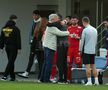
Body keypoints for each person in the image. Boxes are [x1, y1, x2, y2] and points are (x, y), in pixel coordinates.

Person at [18, 10, 47, 80]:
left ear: (38, 15)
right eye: (33, 15)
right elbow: (32, 32)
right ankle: (27, 72)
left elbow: (41, 32)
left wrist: (38, 41)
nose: (33, 16)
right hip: (34, 42)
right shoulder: (34, 21)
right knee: (31, 57)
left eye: (34, 15)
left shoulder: (42, 21)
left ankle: (40, 76)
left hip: (39, 42)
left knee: (40, 60)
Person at [40, 14, 69, 82]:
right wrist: (68, 32)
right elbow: (60, 33)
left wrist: (64, 21)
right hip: (50, 47)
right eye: (56, 18)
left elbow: (59, 24)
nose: (58, 20)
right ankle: (46, 79)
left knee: (45, 63)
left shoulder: (50, 25)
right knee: (48, 64)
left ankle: (42, 78)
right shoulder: (52, 27)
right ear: (53, 19)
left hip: (47, 46)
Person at [0, 15, 21, 81]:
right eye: (16, 20)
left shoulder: (5, 28)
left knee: (11, 61)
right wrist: (19, 48)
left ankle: (12, 77)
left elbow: (2, 38)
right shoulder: (15, 29)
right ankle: (5, 76)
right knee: (11, 62)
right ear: (14, 19)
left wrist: (1, 47)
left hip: (7, 47)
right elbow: (18, 39)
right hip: (14, 47)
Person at [80, 16, 99, 85]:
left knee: (87, 66)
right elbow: (96, 41)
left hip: (86, 51)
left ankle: (89, 81)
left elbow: (82, 42)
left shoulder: (85, 30)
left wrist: (80, 50)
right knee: (93, 66)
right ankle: (96, 81)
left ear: (83, 22)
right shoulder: (95, 29)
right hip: (93, 50)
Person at [67, 16, 83, 82]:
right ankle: (68, 79)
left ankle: (80, 79)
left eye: (75, 20)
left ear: (77, 20)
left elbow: (82, 38)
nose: (73, 21)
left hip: (77, 48)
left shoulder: (80, 28)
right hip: (70, 49)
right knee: (69, 64)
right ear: (71, 21)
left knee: (79, 63)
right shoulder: (68, 28)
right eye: (72, 20)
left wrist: (77, 37)